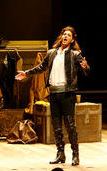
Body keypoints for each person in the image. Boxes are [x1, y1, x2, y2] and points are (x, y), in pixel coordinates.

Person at [15, 26, 90, 166]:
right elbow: (41, 67)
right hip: (54, 94)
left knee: (70, 126)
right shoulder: (52, 53)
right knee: (57, 127)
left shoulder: (75, 54)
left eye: (68, 35)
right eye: (63, 34)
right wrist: (26, 73)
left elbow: (86, 70)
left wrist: (85, 66)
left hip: (67, 93)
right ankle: (60, 154)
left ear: (72, 39)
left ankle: (75, 154)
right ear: (61, 37)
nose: (65, 36)